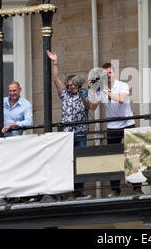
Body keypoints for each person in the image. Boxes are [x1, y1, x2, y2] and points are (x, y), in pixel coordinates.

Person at [47, 49, 91, 199]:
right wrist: (55, 62)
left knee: (80, 162)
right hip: (66, 134)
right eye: (69, 85)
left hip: (80, 133)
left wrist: (80, 94)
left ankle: (79, 192)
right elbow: (55, 79)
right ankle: (64, 192)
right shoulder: (64, 95)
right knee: (66, 162)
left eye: (73, 85)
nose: (71, 87)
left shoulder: (83, 93)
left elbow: (88, 106)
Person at [89, 62, 136, 197]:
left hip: (127, 123)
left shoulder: (123, 85)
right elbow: (93, 107)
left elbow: (121, 99)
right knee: (112, 157)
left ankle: (136, 185)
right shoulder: (100, 88)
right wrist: (92, 91)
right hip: (113, 126)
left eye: (110, 73)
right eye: (105, 74)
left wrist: (105, 91)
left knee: (132, 155)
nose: (108, 76)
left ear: (114, 73)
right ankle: (115, 189)